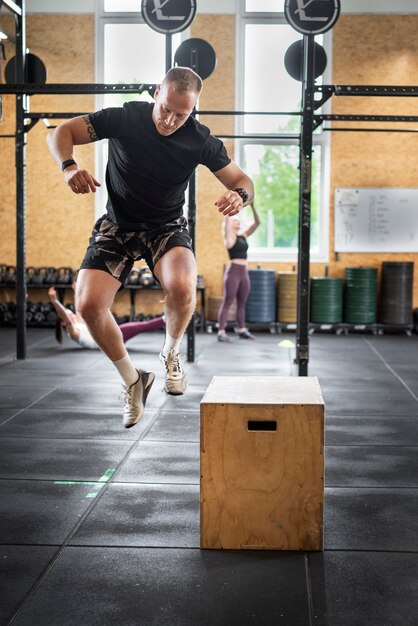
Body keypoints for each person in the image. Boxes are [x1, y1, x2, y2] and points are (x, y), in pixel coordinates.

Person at [47, 66, 254, 429]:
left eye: (182, 114)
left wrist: (240, 196)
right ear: (157, 92)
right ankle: (132, 379)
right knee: (88, 305)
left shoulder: (199, 139)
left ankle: (170, 353)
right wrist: (68, 166)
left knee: (183, 287)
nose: (171, 119)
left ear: (193, 110)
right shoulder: (126, 117)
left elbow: (242, 180)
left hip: (166, 227)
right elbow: (62, 132)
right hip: (118, 225)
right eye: (167, 109)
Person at [48, 286, 165, 349]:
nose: (72, 315)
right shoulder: (73, 333)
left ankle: (165, 319)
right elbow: (66, 319)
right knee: (141, 326)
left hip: (109, 336)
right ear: (64, 324)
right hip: (108, 341)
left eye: (71, 313)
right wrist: (55, 301)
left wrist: (76, 290)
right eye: (69, 315)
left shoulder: (78, 325)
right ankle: (165, 319)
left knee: (140, 326)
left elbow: (79, 309)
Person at [217, 201, 260, 343]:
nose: (238, 223)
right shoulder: (229, 238)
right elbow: (228, 222)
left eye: (238, 221)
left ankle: (242, 329)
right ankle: (221, 331)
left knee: (242, 302)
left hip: (243, 272)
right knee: (228, 301)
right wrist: (232, 207)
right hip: (233, 272)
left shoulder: (243, 236)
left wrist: (253, 206)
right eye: (236, 221)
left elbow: (257, 223)